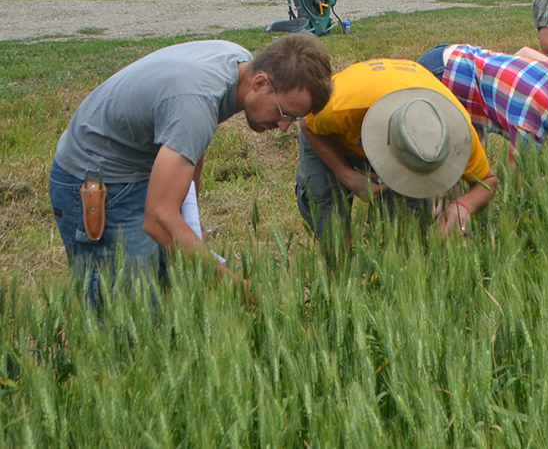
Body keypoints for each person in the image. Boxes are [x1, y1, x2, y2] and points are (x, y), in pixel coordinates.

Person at [48, 35, 332, 302]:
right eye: (284, 113)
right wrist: (234, 287)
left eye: (294, 119)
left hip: (141, 167)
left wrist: (189, 218)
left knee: (169, 290)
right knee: (129, 311)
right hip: (98, 180)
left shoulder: (239, 63)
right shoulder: (195, 103)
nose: (283, 127)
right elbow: (157, 219)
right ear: (260, 82)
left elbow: (192, 143)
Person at [296, 57, 498, 240]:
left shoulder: (460, 135)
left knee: (406, 231)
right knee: (332, 227)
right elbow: (308, 126)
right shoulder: (339, 108)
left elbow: (488, 181)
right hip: (333, 137)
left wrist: (463, 205)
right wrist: (346, 175)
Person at [416, 44, 548, 171]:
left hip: (456, 53)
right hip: (442, 73)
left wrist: (501, 88)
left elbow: (524, 53)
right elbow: (517, 178)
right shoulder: (529, 122)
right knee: (441, 166)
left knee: (466, 164)